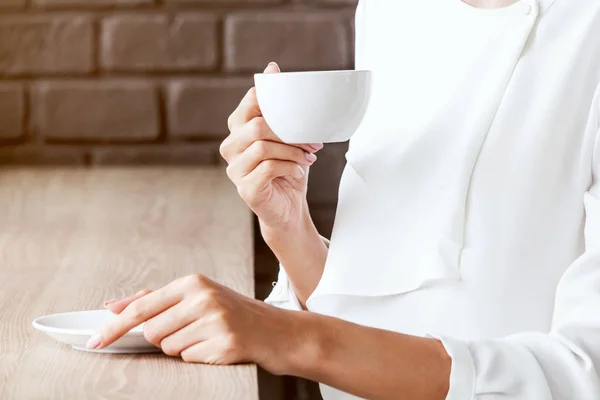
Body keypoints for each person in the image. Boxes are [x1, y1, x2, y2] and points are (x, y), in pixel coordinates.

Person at [87, 0, 600, 398]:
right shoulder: (390, 12)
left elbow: (583, 375)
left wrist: (287, 336)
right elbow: (378, 324)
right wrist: (291, 230)